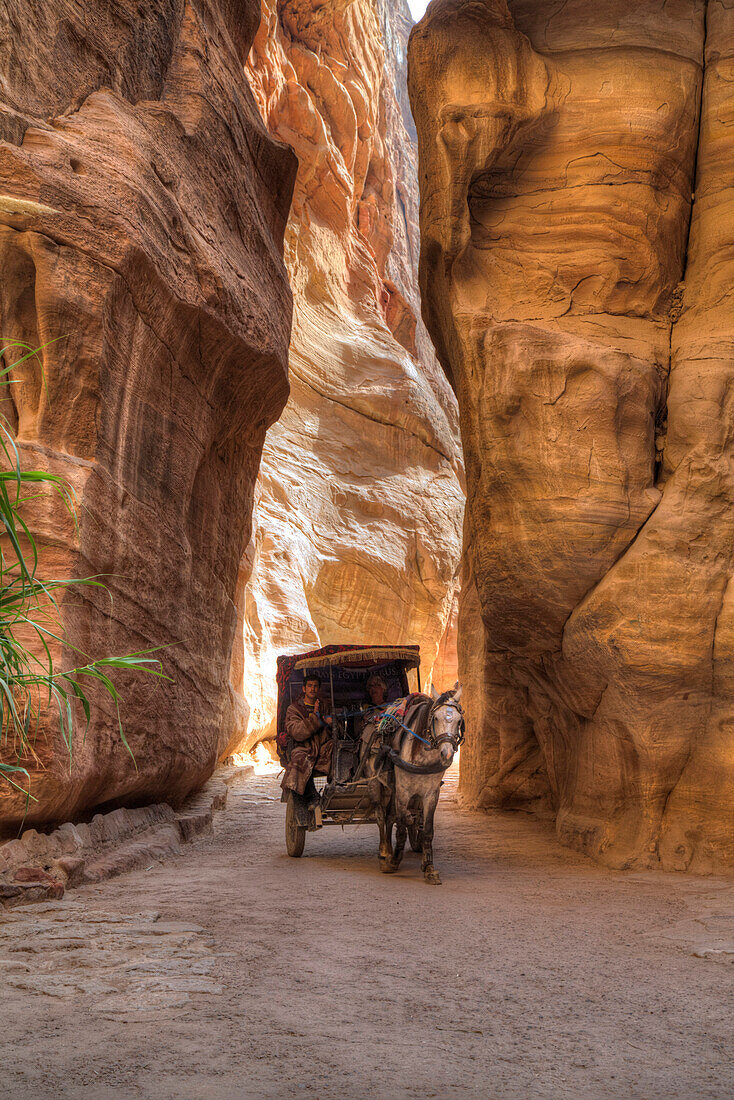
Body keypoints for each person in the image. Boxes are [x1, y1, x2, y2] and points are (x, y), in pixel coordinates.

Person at [281, 674, 333, 799]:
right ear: (304, 689)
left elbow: (336, 729)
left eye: (315, 686)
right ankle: (307, 796)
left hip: (323, 746)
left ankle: (335, 789)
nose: (312, 689)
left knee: (339, 751)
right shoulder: (294, 709)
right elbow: (297, 732)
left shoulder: (325, 706)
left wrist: (332, 723)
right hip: (303, 747)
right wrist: (316, 718)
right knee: (299, 759)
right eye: (309, 686)